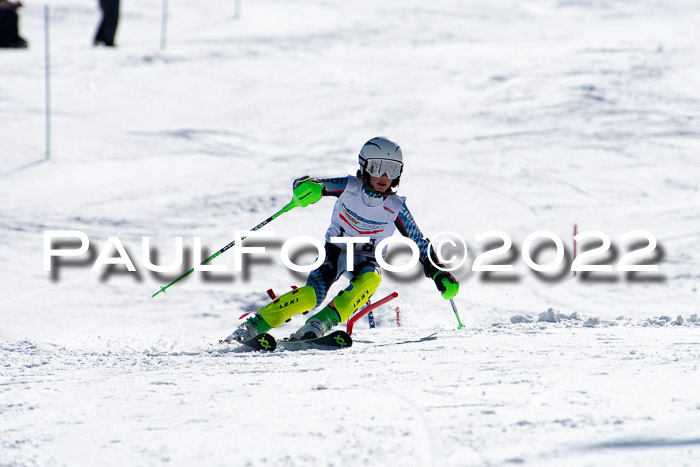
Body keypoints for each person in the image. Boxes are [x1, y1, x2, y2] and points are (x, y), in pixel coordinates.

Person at [227, 136, 459, 343]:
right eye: (378, 167)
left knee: (371, 279)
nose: (385, 176)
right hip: (336, 250)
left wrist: (440, 273)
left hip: (367, 258)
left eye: (392, 168)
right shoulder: (349, 187)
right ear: (365, 167)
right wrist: (306, 188)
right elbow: (313, 183)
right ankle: (255, 324)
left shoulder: (396, 207)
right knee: (311, 296)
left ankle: (318, 325)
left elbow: (419, 242)